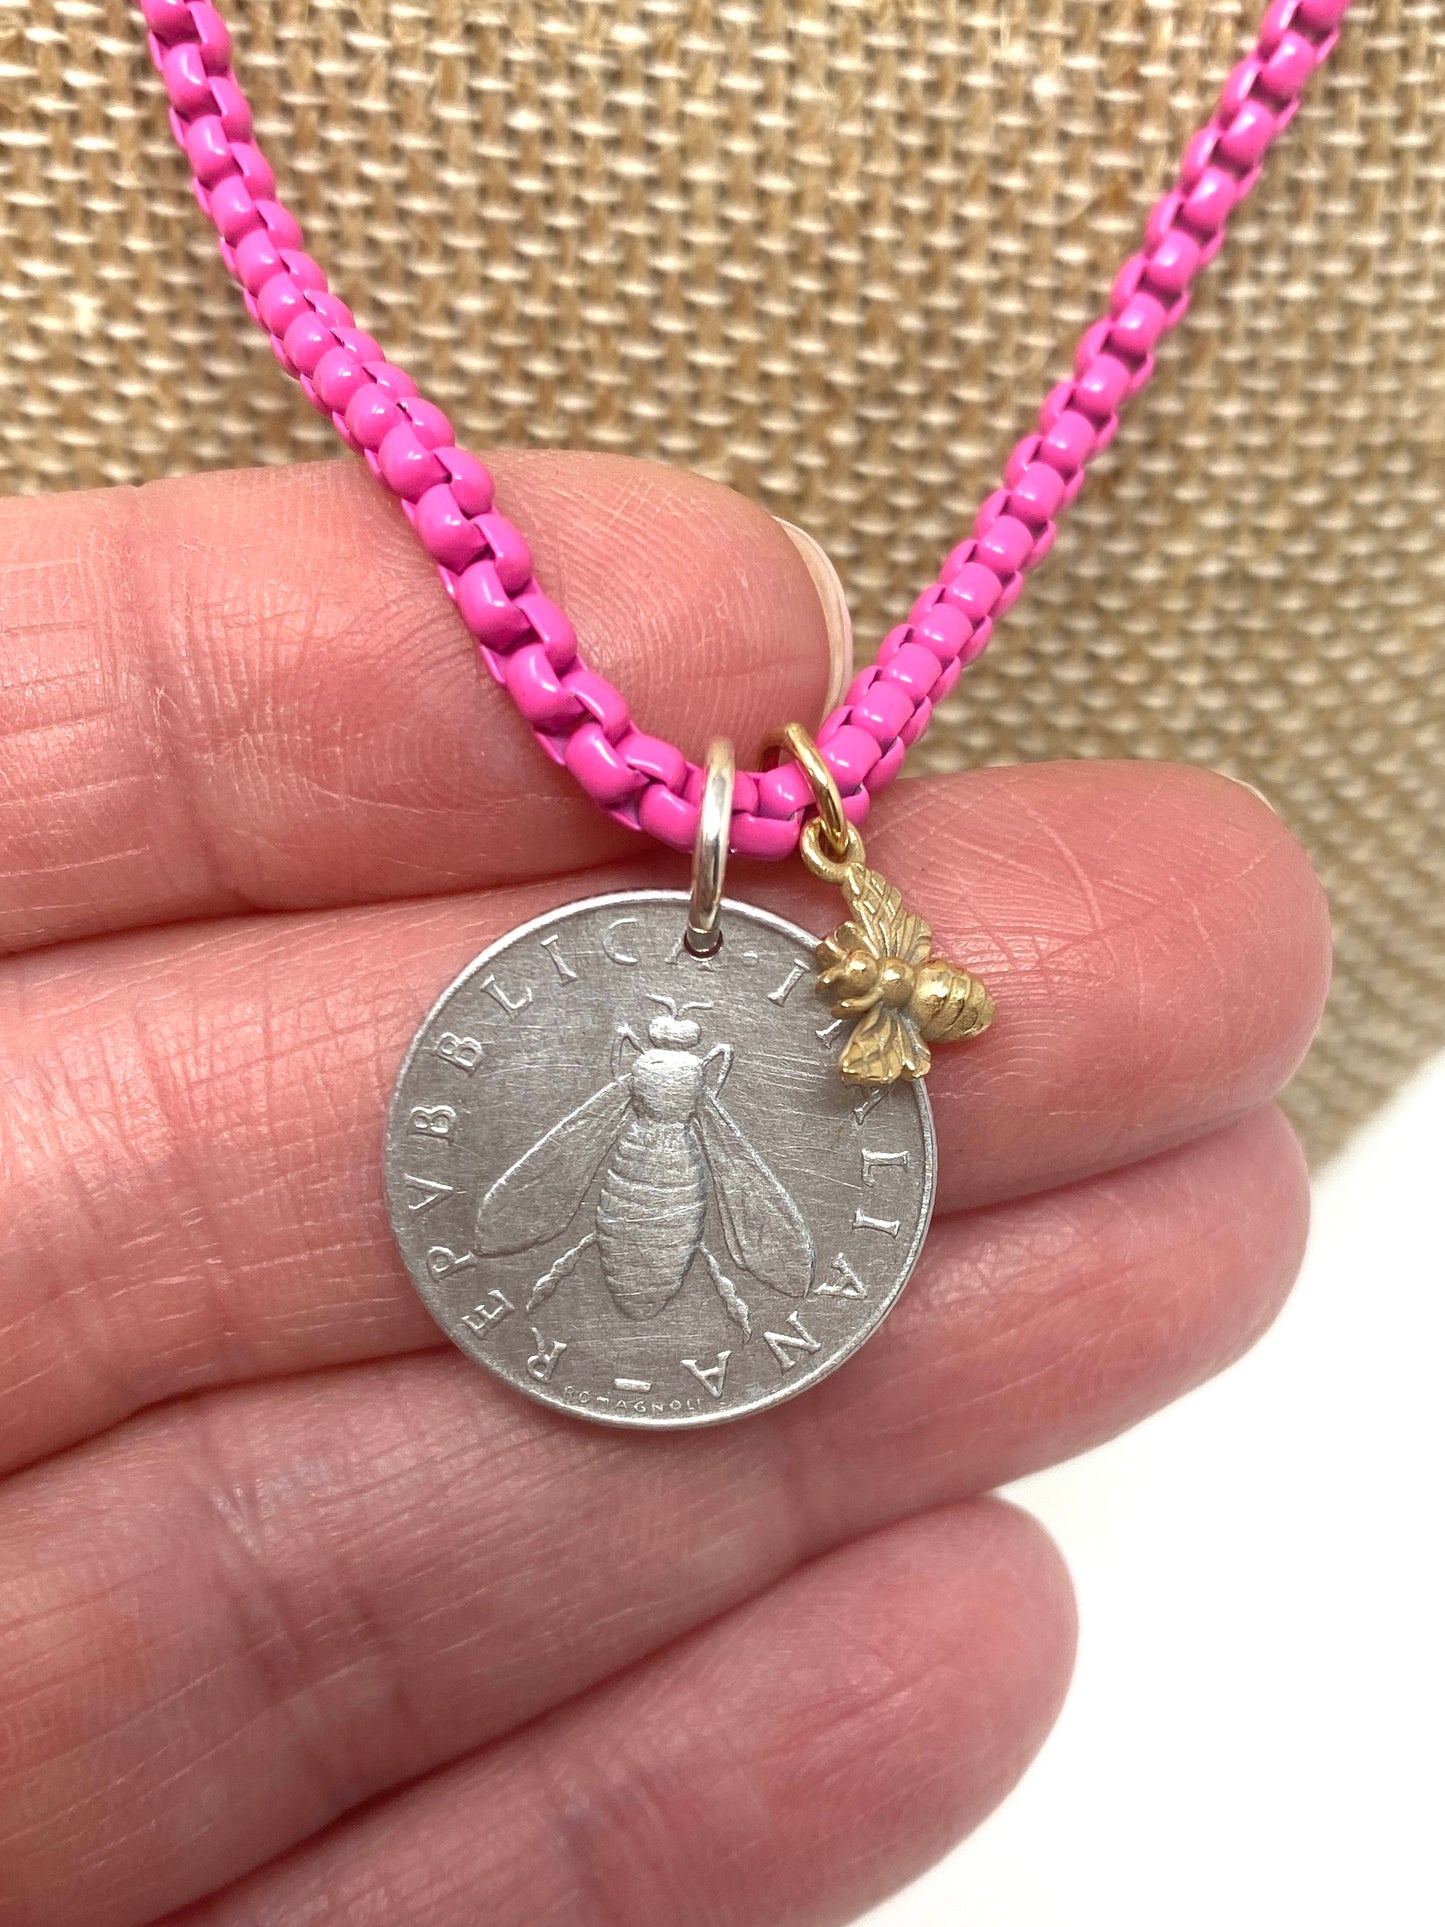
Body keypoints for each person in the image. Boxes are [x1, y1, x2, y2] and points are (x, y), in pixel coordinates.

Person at [0, 450, 1329, 1925]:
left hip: (659, 1204)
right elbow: (537, 1207)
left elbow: (600, 1212)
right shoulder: (670, 1080)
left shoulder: (670, 1073)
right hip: (646, 1202)